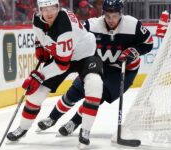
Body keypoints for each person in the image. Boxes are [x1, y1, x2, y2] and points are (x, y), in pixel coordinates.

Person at [36, 0, 153, 147]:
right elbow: (73, 32)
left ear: (121, 14)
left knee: (96, 97)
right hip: (98, 65)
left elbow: (148, 43)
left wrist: (135, 51)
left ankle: (74, 123)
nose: (111, 20)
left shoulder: (133, 25)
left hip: (123, 71)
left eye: (115, 16)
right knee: (74, 92)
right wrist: (47, 43)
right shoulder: (92, 25)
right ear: (103, 13)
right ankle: (52, 118)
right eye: (108, 16)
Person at [6, 0, 104, 147]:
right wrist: (40, 46)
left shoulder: (64, 26)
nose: (49, 12)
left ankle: (85, 130)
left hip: (85, 55)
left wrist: (38, 76)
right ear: (39, 10)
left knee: (95, 85)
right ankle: (23, 128)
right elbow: (40, 35)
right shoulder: (37, 18)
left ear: (58, 7)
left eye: (53, 8)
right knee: (36, 93)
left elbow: (62, 65)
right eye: (45, 9)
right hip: (62, 56)